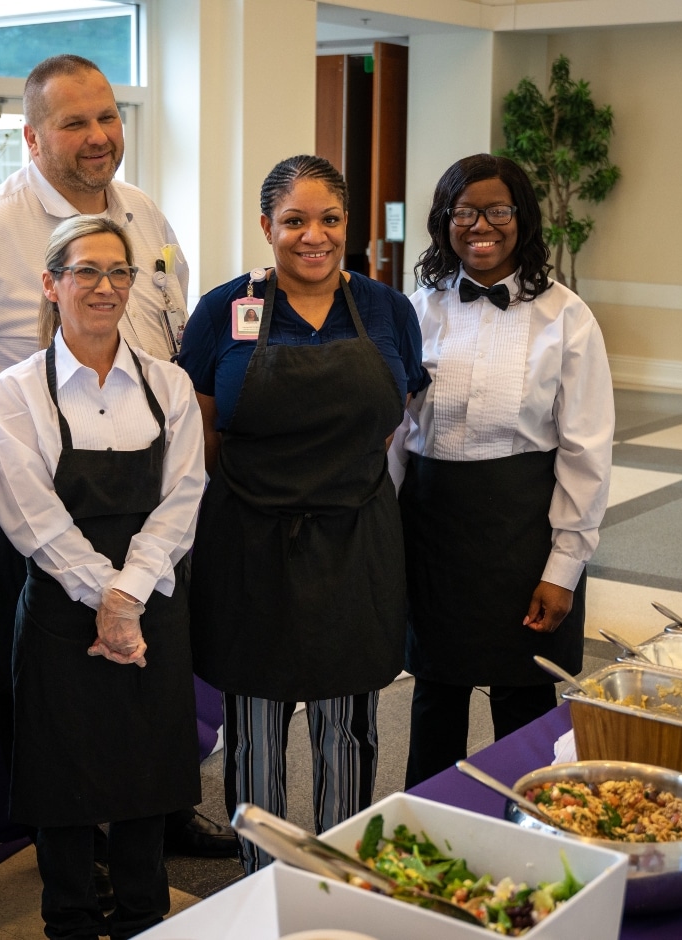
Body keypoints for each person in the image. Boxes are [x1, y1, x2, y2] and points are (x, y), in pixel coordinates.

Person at [0, 53, 234, 861]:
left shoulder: (143, 212)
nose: (97, 137)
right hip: (43, 507)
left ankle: (163, 817)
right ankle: (72, 861)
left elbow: (169, 321)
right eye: (74, 123)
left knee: (156, 679)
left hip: (148, 492)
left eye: (107, 117)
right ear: (32, 137)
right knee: (56, 701)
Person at [178, 155, 427, 874]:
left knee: (347, 728)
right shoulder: (226, 308)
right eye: (294, 221)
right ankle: (261, 884)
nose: (312, 236)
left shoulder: (386, 309)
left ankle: (340, 881)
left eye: (329, 220)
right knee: (254, 730)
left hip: (355, 540)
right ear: (266, 226)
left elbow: (389, 418)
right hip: (251, 540)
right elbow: (204, 435)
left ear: (348, 224)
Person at [0, 216, 205, 939]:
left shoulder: (170, 386)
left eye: (120, 272)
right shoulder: (18, 391)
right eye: (86, 271)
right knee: (65, 784)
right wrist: (103, 596)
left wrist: (129, 594)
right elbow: (29, 513)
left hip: (153, 603)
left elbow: (183, 500)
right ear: (52, 284)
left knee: (148, 777)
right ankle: (71, 921)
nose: (106, 287)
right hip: (59, 607)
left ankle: (147, 916)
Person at [397, 153, 614, 789]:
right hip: (433, 529)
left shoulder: (566, 316)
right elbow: (396, 437)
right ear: (444, 222)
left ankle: (530, 824)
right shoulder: (418, 310)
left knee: (524, 697)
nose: (480, 225)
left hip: (525, 529)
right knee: (435, 692)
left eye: (497, 210)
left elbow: (586, 452)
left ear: (521, 219)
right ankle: (425, 823)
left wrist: (564, 567)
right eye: (464, 212)